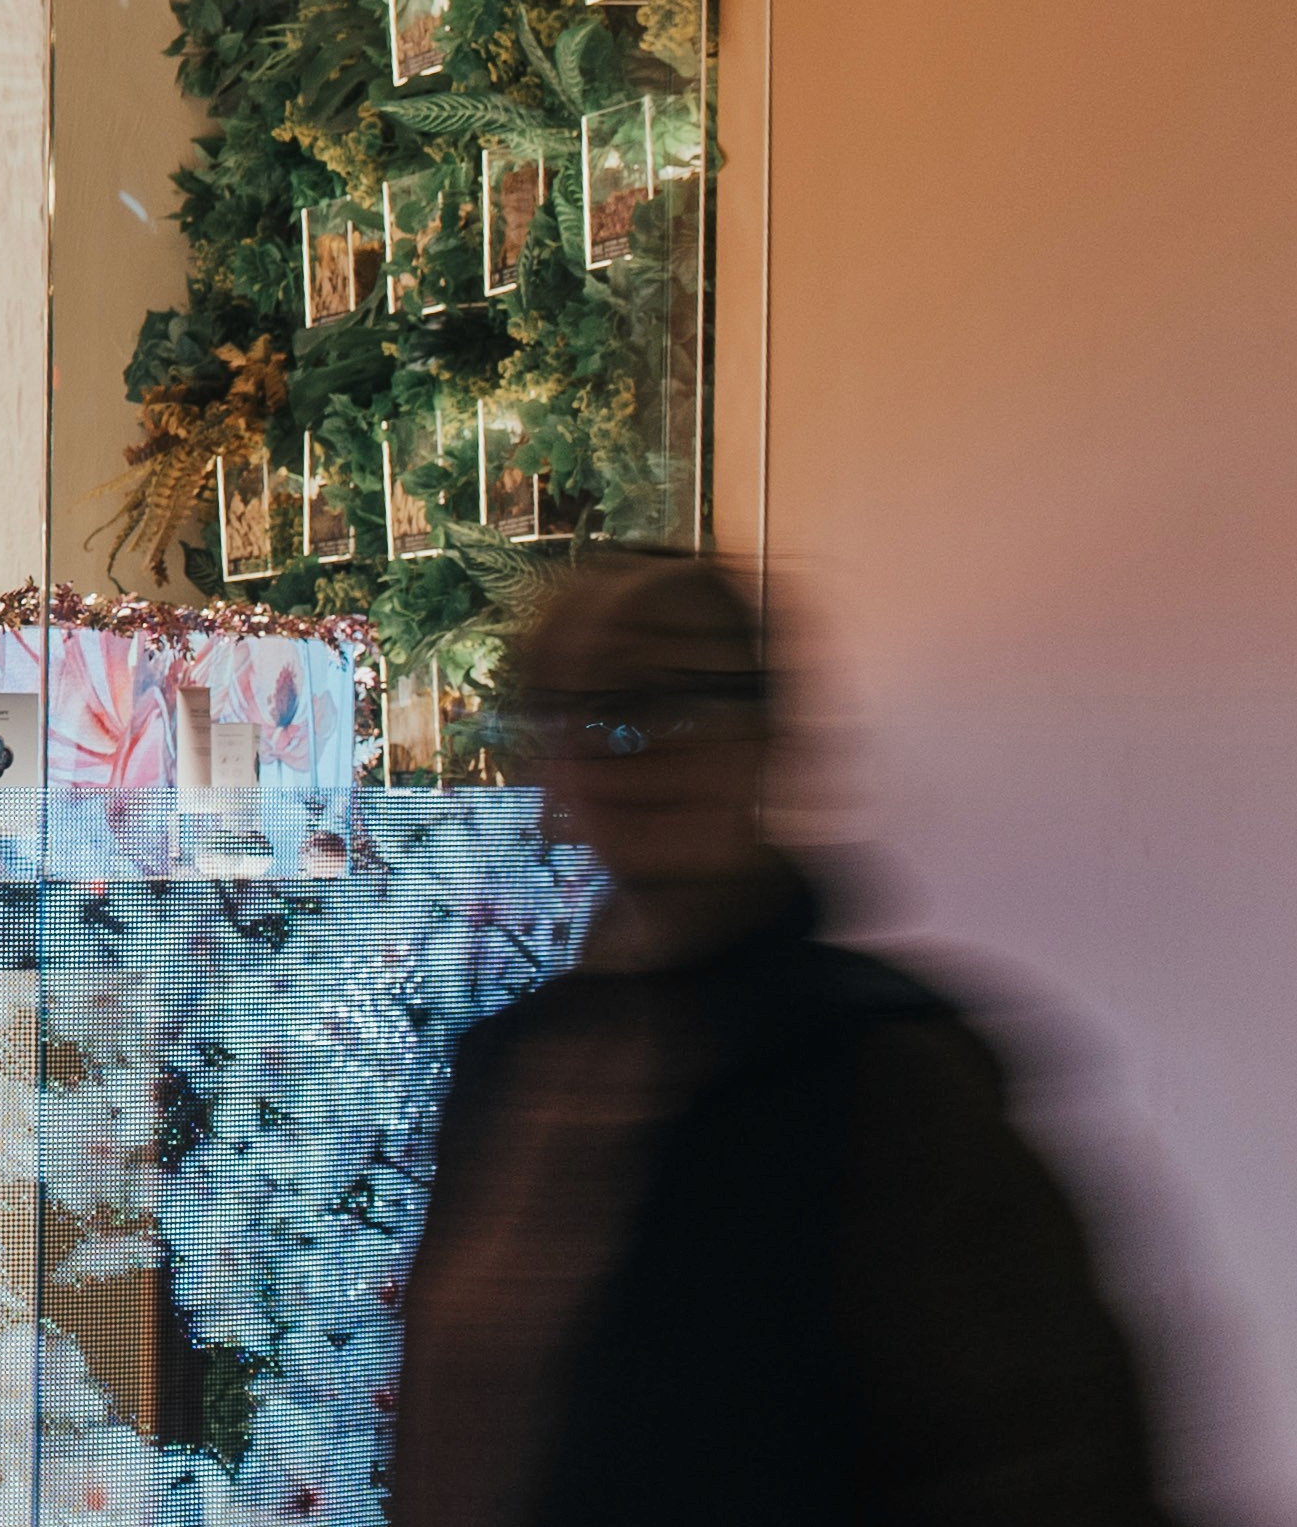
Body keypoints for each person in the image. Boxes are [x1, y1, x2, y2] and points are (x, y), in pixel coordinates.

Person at [392, 550, 1173, 1527]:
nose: (624, 746)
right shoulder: (506, 1063)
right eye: (583, 710)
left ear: (764, 733)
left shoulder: (887, 1071)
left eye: (673, 701)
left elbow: (1052, 1467)